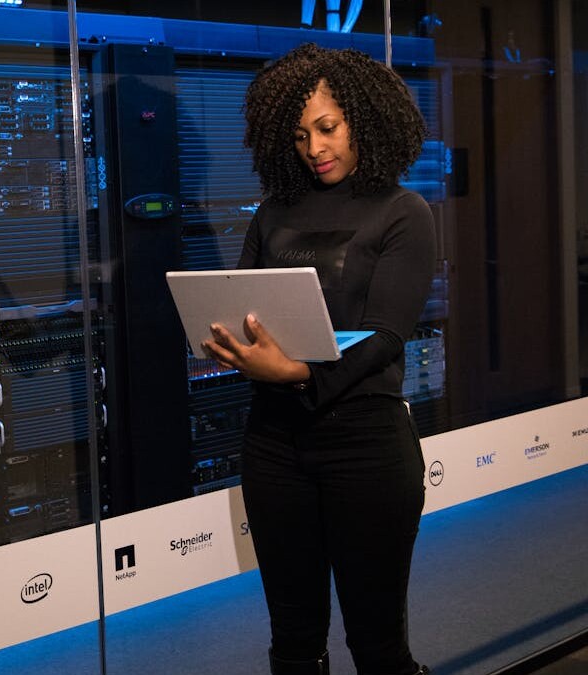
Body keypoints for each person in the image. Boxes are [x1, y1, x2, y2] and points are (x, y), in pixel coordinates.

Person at [201, 43, 435, 675]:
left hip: (366, 445)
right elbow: (245, 305)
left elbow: (386, 334)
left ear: (364, 117)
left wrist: (300, 372)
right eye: (300, 135)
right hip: (274, 446)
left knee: (378, 645)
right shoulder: (273, 212)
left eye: (327, 128)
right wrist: (226, 339)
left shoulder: (403, 212)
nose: (314, 147)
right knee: (294, 643)